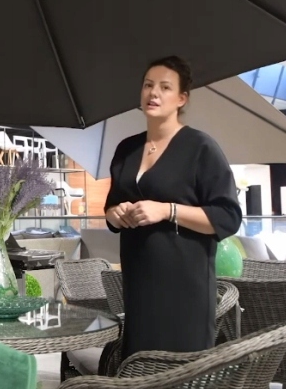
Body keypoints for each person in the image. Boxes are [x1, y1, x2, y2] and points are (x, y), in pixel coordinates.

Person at [104, 56, 242, 359]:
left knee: (181, 371)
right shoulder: (126, 149)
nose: (153, 93)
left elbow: (228, 217)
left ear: (182, 98)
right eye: (148, 85)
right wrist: (116, 214)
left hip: (185, 288)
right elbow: (111, 208)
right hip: (138, 283)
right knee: (139, 366)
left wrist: (168, 210)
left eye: (165, 87)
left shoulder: (201, 148)